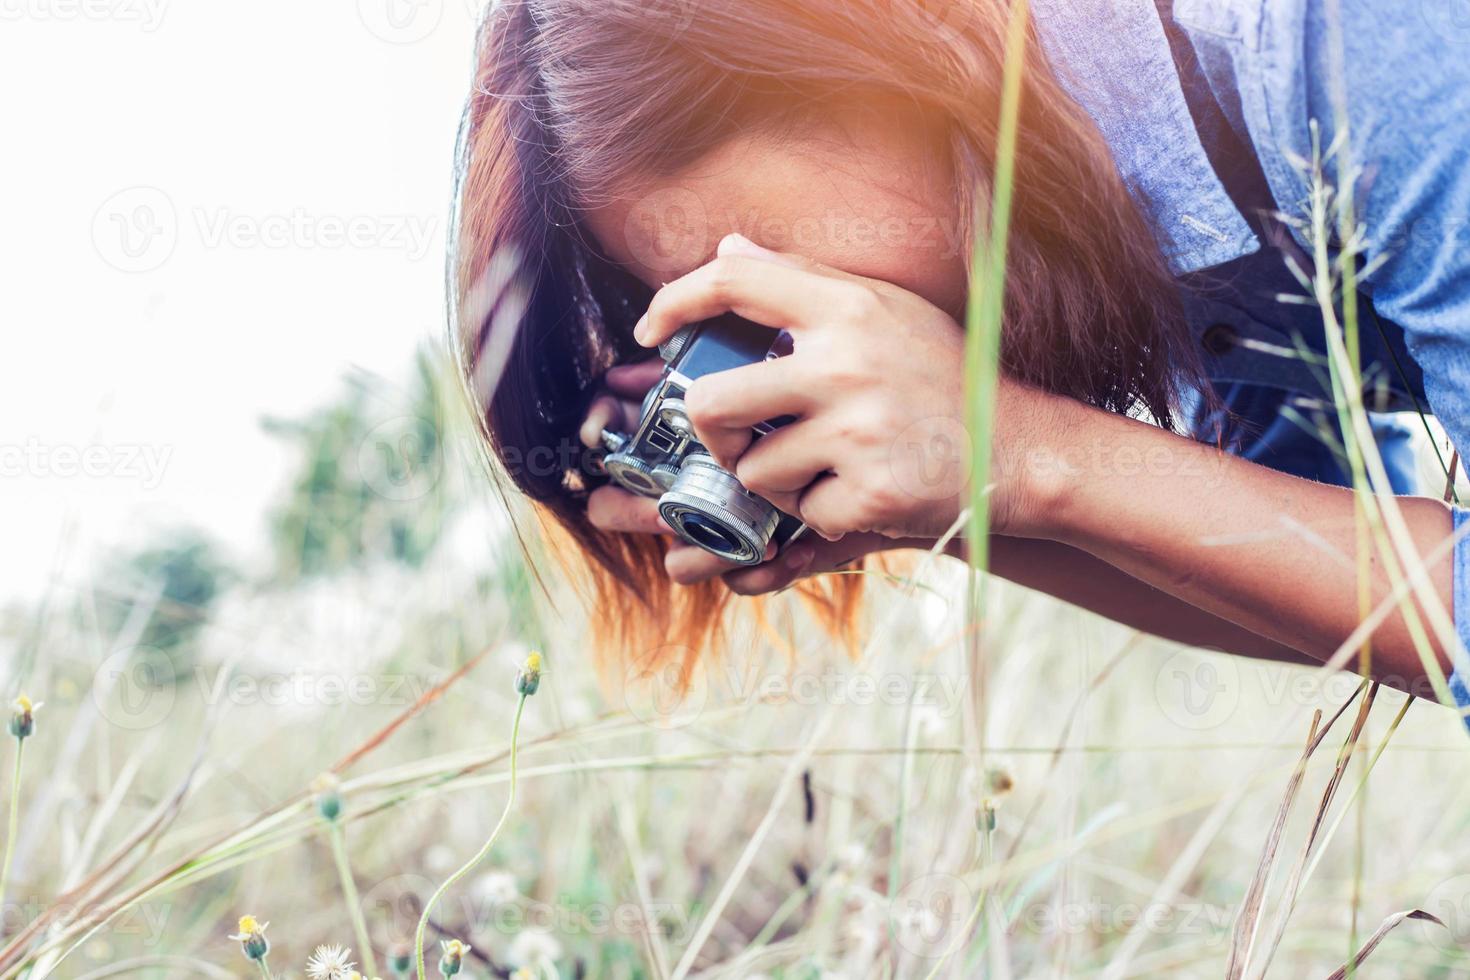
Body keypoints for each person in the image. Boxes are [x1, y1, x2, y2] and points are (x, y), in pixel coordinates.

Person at [450, 0, 1470, 714]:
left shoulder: (1347, 36)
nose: (802, 338)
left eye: (763, 274)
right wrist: (943, 497)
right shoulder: (1094, 182)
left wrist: (1024, 452)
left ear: (884, 46)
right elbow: (1317, 547)